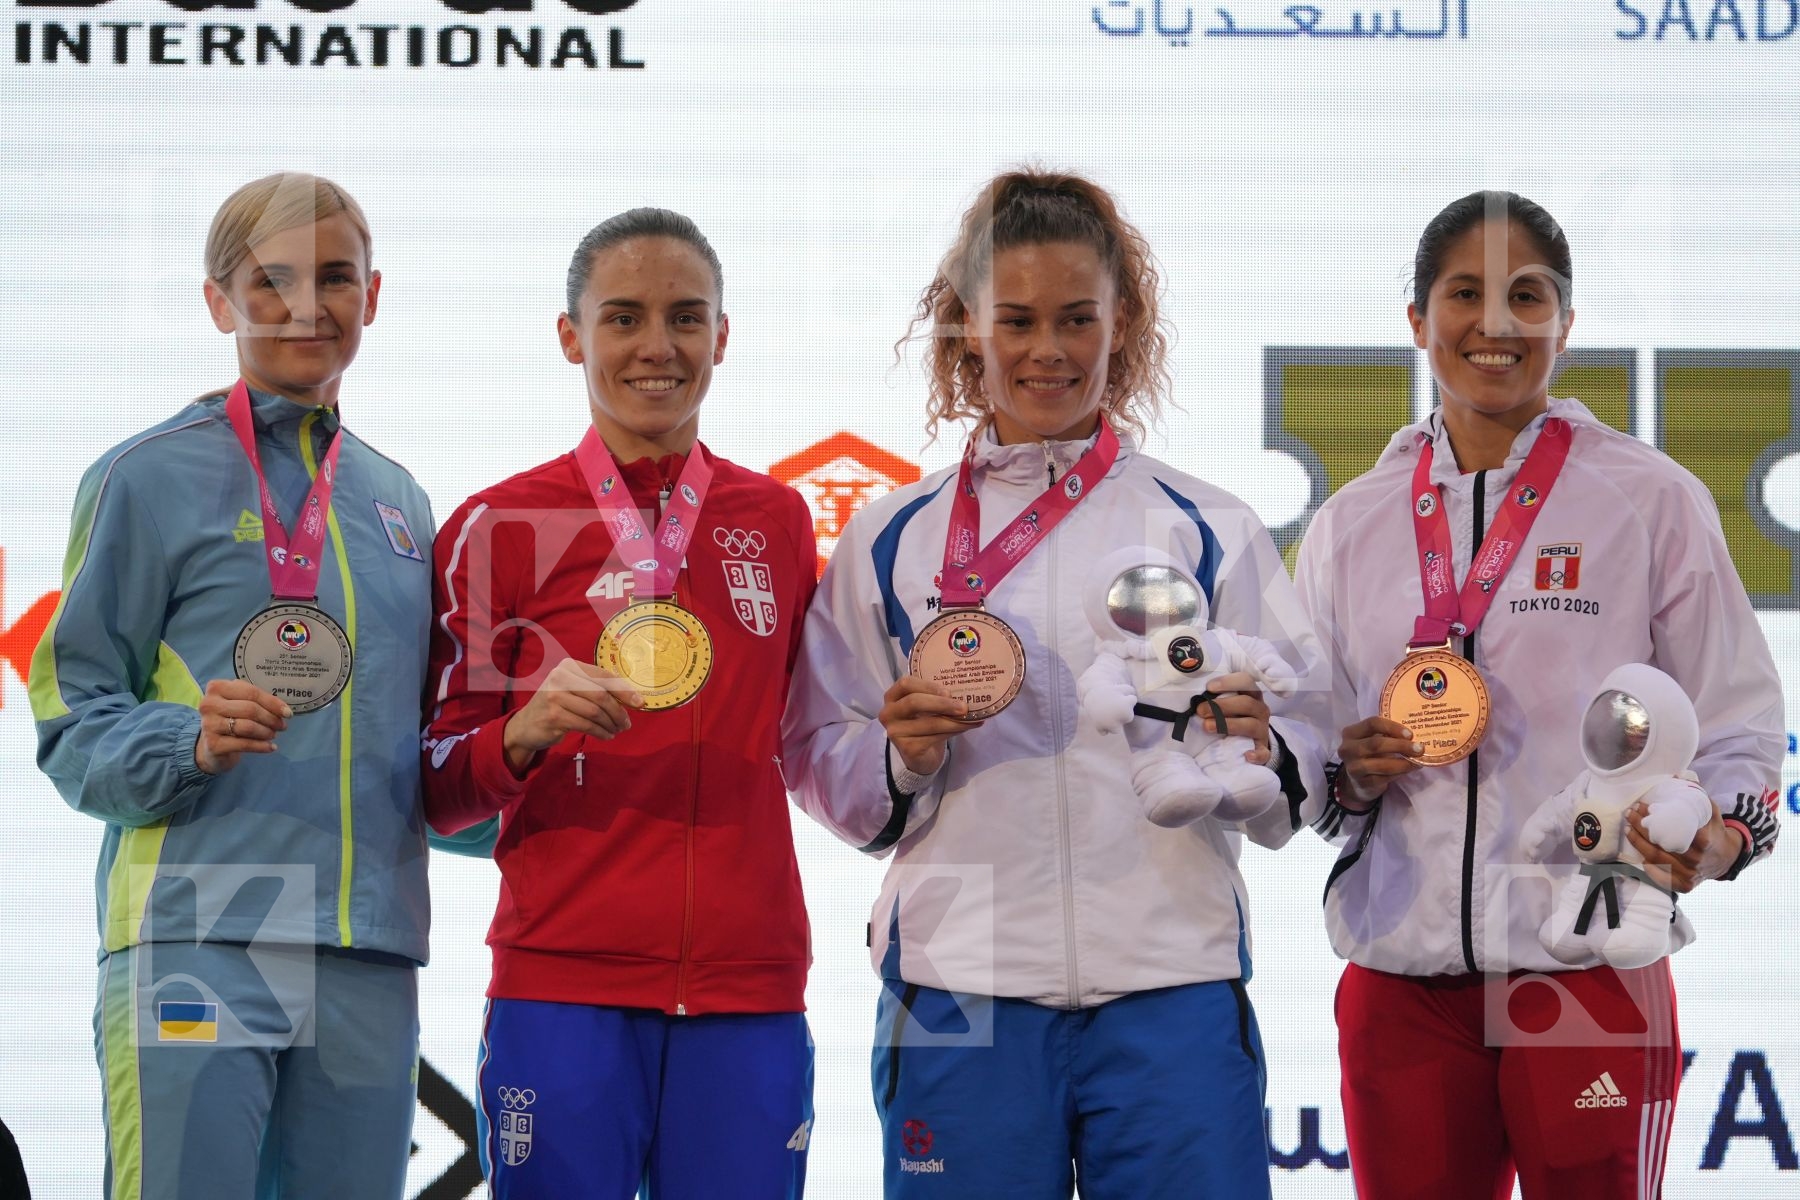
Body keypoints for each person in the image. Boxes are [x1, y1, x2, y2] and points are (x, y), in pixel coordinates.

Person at [781, 169, 1324, 1200]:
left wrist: (1262, 745)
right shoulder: (892, 538)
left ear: (1124, 324)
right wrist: (900, 756)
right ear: (966, 328)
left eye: (1078, 318)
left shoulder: (1207, 524)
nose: (1050, 350)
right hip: (959, 982)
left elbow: (1309, 744)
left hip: (1170, 974)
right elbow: (816, 752)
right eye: (1017, 320)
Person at [1295, 189, 1784, 1199]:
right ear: (1418, 319)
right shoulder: (1351, 523)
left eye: (1528, 295)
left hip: (1589, 970)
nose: (1497, 323)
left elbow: (1740, 722)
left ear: (1566, 322)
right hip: (1404, 983)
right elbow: (1305, 758)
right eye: (1464, 294)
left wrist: (1723, 838)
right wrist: (1348, 773)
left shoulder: (1649, 500)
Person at [31, 172, 437, 1197]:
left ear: (373, 296)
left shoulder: (400, 503)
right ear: (220, 302)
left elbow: (418, 746)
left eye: (335, 277)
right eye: (272, 280)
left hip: (366, 947)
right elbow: (70, 716)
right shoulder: (144, 475)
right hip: (198, 928)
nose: (308, 305)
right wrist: (188, 742)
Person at [421, 208, 818, 1199]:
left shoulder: (777, 519)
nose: (657, 346)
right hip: (562, 985)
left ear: (722, 335)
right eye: (624, 317)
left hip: (748, 987)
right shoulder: (498, 525)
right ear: (571, 337)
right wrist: (522, 734)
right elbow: (434, 789)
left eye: (686, 317)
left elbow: (815, 736)